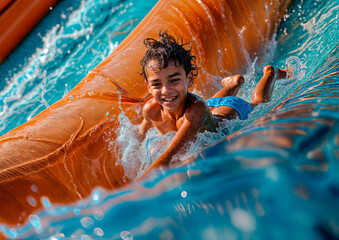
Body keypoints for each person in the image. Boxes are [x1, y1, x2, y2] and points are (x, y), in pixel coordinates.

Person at [139, 31, 287, 176]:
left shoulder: (197, 110)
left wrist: (157, 166)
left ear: (189, 79)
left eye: (174, 80)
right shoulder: (150, 110)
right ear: (148, 86)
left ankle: (270, 73)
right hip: (212, 106)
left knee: (258, 102)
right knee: (213, 104)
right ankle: (234, 83)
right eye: (157, 84)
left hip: (233, 112)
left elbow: (169, 155)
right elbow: (140, 133)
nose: (166, 90)